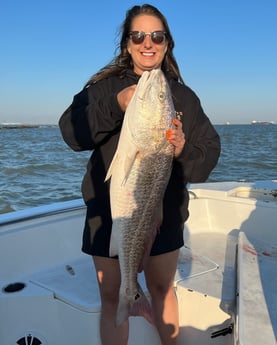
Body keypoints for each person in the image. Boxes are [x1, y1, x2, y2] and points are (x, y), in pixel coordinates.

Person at [59, 4, 220, 345]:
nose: (148, 42)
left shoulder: (184, 97)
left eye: (157, 36)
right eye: (139, 35)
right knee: (111, 297)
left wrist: (182, 150)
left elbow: (208, 156)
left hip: (164, 213)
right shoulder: (103, 88)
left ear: (166, 43)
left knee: (163, 289)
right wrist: (116, 104)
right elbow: (72, 133)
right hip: (108, 212)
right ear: (127, 44)